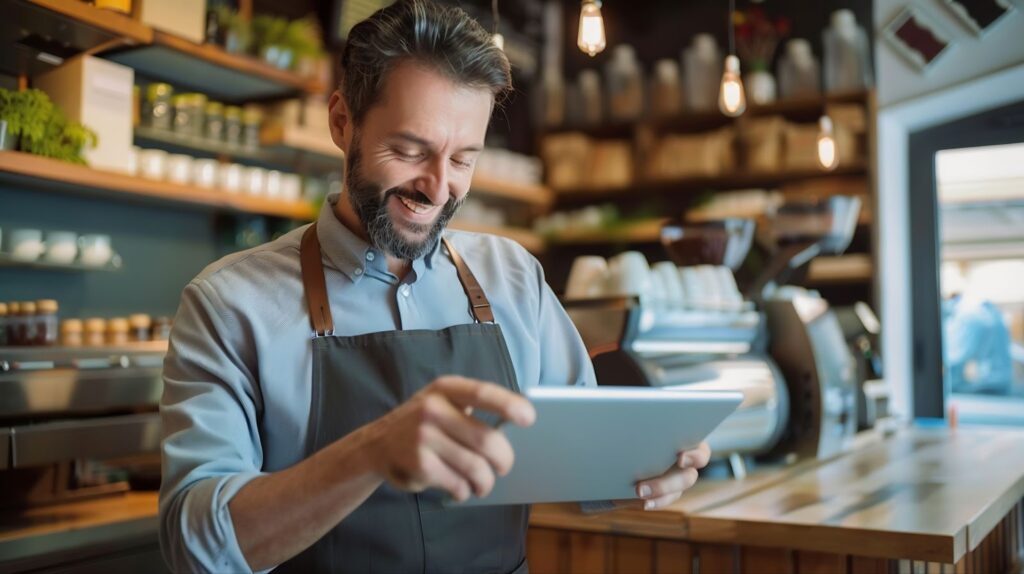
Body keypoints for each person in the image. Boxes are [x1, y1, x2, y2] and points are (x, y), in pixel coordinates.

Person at [159, 2, 710, 572]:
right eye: (410, 151)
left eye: (463, 160)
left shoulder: (513, 277)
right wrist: (372, 452)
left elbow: (586, 464)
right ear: (342, 122)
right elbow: (197, 547)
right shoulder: (229, 304)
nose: (438, 187)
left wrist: (648, 469)